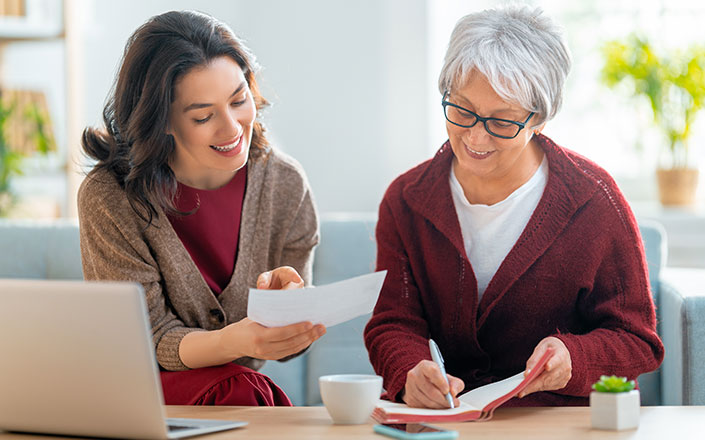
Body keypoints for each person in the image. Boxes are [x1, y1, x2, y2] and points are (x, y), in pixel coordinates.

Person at [363, 5, 664, 409]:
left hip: (557, 424)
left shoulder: (594, 201)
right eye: (462, 110)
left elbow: (636, 340)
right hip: (443, 425)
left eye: (501, 122)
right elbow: (392, 322)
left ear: (540, 118)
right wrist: (410, 370)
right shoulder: (406, 200)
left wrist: (572, 358)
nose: (475, 137)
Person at [78, 10, 325, 406]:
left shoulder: (285, 185)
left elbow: (289, 347)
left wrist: (288, 317)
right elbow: (147, 336)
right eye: (204, 116)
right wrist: (234, 340)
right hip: (138, 394)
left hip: (234, 393)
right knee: (242, 389)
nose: (231, 128)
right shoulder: (110, 196)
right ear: (162, 121)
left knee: (242, 389)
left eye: (239, 100)